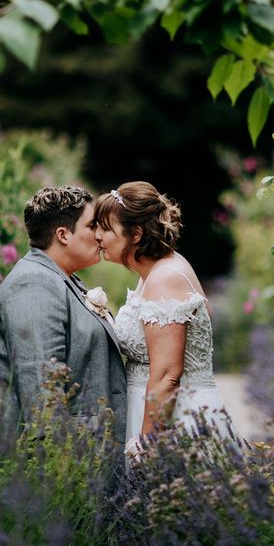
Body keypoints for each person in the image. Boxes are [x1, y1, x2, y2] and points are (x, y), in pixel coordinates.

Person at [93, 181, 234, 454]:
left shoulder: (165, 278)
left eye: (105, 228)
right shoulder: (154, 272)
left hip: (176, 422)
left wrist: (147, 447)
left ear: (135, 234)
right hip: (154, 415)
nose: (97, 236)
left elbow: (168, 375)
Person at [0, 186, 127, 443]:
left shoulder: (60, 279)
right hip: (59, 466)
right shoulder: (33, 285)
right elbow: (43, 400)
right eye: (91, 225)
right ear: (63, 235)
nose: (99, 235)